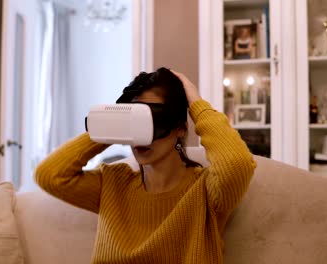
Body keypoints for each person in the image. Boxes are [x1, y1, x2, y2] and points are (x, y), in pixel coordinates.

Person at [35, 67, 256, 263]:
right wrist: (114, 124)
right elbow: (50, 175)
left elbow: (237, 164)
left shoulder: (207, 192)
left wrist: (197, 103)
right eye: (136, 123)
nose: (143, 137)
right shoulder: (112, 184)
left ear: (180, 127)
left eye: (155, 121)